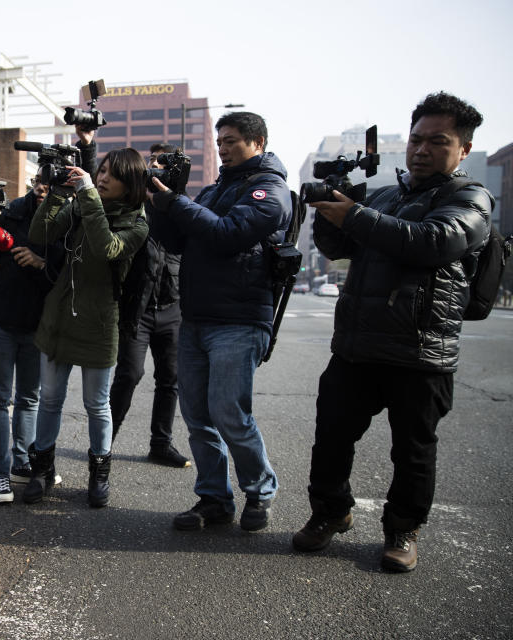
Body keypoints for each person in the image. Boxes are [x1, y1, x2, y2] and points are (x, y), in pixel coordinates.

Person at [292, 93, 493, 572]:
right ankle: (331, 512)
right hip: (357, 347)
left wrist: (356, 216)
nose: (422, 150)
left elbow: (435, 241)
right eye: (417, 140)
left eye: (437, 142)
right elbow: (340, 246)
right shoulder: (384, 195)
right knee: (332, 439)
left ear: (463, 149)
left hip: (422, 352)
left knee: (413, 452)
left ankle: (402, 529)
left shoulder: (470, 197)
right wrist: (328, 210)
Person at [148, 112, 292, 532]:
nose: (222, 148)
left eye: (230, 141)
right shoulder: (214, 189)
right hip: (195, 318)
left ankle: (260, 491)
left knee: (230, 413)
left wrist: (178, 203)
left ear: (258, 142)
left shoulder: (270, 189)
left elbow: (229, 234)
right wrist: (160, 202)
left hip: (241, 319)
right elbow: (175, 241)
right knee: (197, 416)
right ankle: (213, 498)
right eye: (219, 141)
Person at [0, 128, 97, 504]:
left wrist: (41, 262)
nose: (42, 187)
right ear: (32, 182)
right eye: (38, 180)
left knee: (29, 399)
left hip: (40, 325)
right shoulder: (11, 213)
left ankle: (23, 461)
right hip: (1, 321)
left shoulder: (67, 219)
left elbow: (71, 267)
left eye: (49, 182)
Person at [23, 148, 149, 508]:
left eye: (113, 174)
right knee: (49, 399)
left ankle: (99, 472)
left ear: (131, 183)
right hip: (60, 315)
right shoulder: (81, 203)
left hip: (99, 321)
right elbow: (40, 233)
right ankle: (42, 469)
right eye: (103, 170)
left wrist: (89, 193)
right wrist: (60, 194)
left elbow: (106, 247)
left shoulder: (137, 223)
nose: (104, 177)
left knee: (97, 404)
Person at [109, 142, 189, 468]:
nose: (153, 167)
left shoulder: (181, 206)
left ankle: (161, 443)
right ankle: (104, 441)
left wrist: (172, 198)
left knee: (170, 379)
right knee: (129, 373)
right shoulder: (134, 204)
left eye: (161, 163)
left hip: (172, 306)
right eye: (150, 161)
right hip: (137, 308)